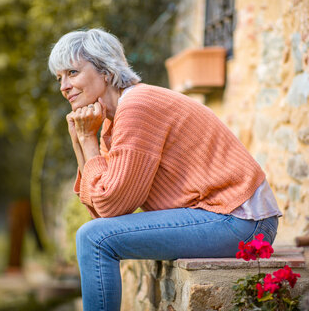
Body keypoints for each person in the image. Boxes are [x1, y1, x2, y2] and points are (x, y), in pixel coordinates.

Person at [48, 29, 281, 311]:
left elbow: (109, 208)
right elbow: (100, 207)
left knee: (93, 238)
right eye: (59, 77)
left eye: (72, 72)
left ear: (106, 71)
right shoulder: (112, 121)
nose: (64, 86)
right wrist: (80, 139)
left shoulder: (137, 107)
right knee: (95, 233)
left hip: (241, 220)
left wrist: (86, 139)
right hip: (218, 217)